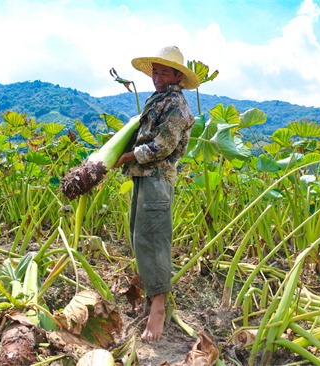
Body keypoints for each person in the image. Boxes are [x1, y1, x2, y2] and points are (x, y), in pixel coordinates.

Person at [113, 46, 200, 341]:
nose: (157, 77)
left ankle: (160, 308)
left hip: (157, 178)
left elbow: (161, 146)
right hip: (143, 176)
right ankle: (153, 299)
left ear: (177, 75)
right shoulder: (159, 98)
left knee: (153, 239)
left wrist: (126, 157)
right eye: (155, 71)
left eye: (164, 72)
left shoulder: (176, 104)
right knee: (140, 235)